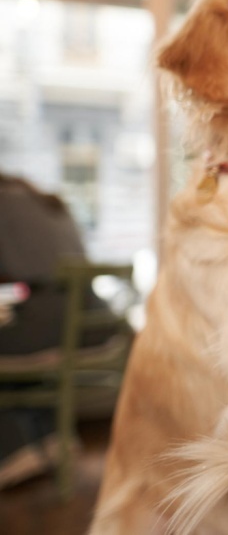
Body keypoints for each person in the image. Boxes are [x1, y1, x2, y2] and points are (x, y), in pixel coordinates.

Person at [0, 173, 124, 489]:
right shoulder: (51, 204)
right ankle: (48, 435)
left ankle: (12, 447)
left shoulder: (5, 207)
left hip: (58, 329)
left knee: (11, 345)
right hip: (97, 325)